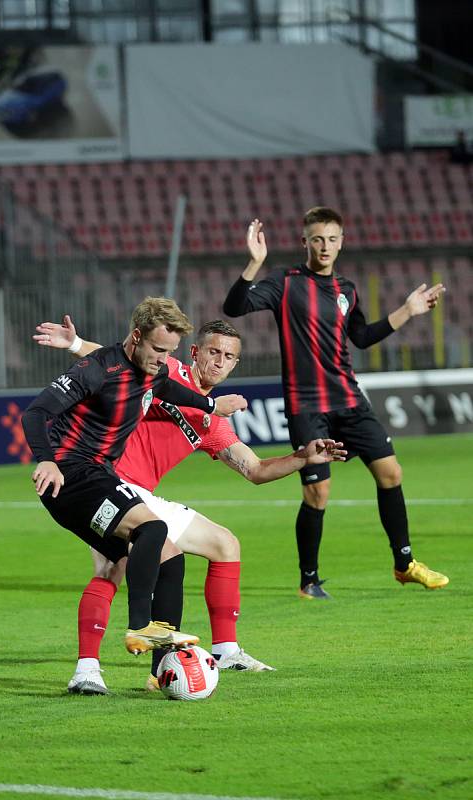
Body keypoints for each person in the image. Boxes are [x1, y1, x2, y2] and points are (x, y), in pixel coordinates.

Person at [34, 315, 346, 694]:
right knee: (116, 566)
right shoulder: (169, 369)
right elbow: (115, 362)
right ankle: (99, 668)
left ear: (235, 364)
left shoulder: (213, 421)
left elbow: (256, 470)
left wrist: (303, 457)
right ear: (195, 352)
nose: (219, 361)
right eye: (213, 351)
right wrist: (74, 343)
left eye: (229, 356)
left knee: (218, 546)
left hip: (137, 494)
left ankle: (208, 653)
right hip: (108, 481)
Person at [223, 209, 449, 599]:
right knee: (318, 494)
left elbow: (360, 337)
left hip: (349, 400)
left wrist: (407, 312)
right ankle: (308, 581)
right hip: (307, 406)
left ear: (341, 242)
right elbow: (234, 308)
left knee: (391, 473)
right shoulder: (285, 282)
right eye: (317, 239)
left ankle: (405, 564)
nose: (324, 246)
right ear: (305, 242)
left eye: (331, 239)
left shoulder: (348, 289)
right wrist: (255, 263)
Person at [22, 297, 248, 665]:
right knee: (153, 528)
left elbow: (171, 389)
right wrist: (47, 460)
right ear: (136, 336)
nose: (163, 359)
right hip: (74, 473)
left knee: (168, 559)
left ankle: (137, 665)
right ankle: (141, 626)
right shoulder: (95, 370)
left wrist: (211, 406)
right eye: (159, 349)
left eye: (169, 351)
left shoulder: (153, 370)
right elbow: (35, 413)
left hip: (97, 476)